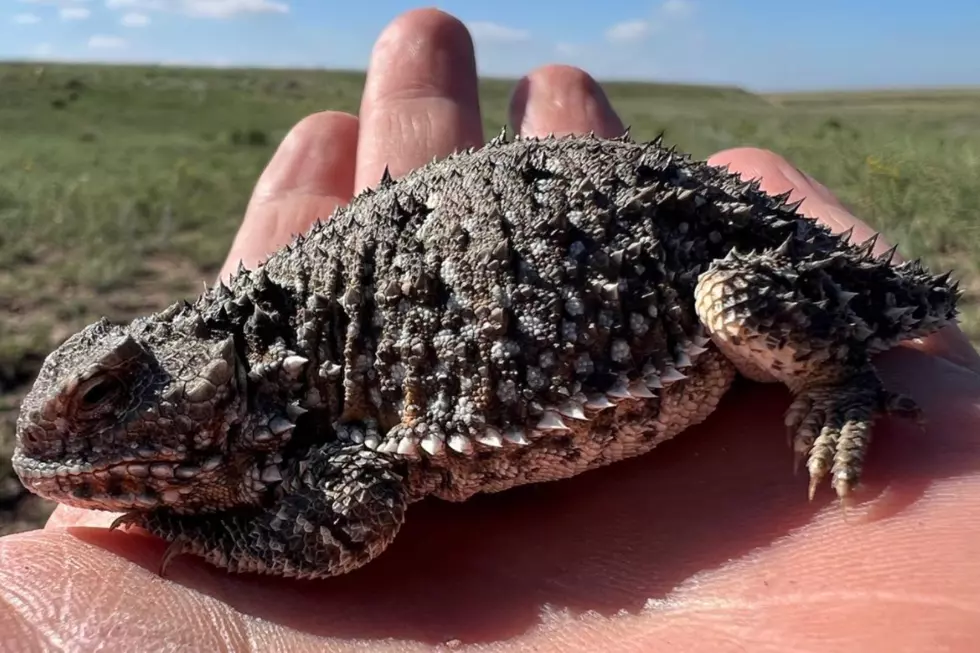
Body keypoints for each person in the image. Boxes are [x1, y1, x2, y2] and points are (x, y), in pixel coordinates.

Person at [2, 8, 978, 652]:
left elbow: (353, 516)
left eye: (105, 406)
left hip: (676, 258)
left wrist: (180, 522)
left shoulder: (284, 415)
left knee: (738, 305)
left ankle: (837, 377)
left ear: (200, 383)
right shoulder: (277, 385)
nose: (69, 448)